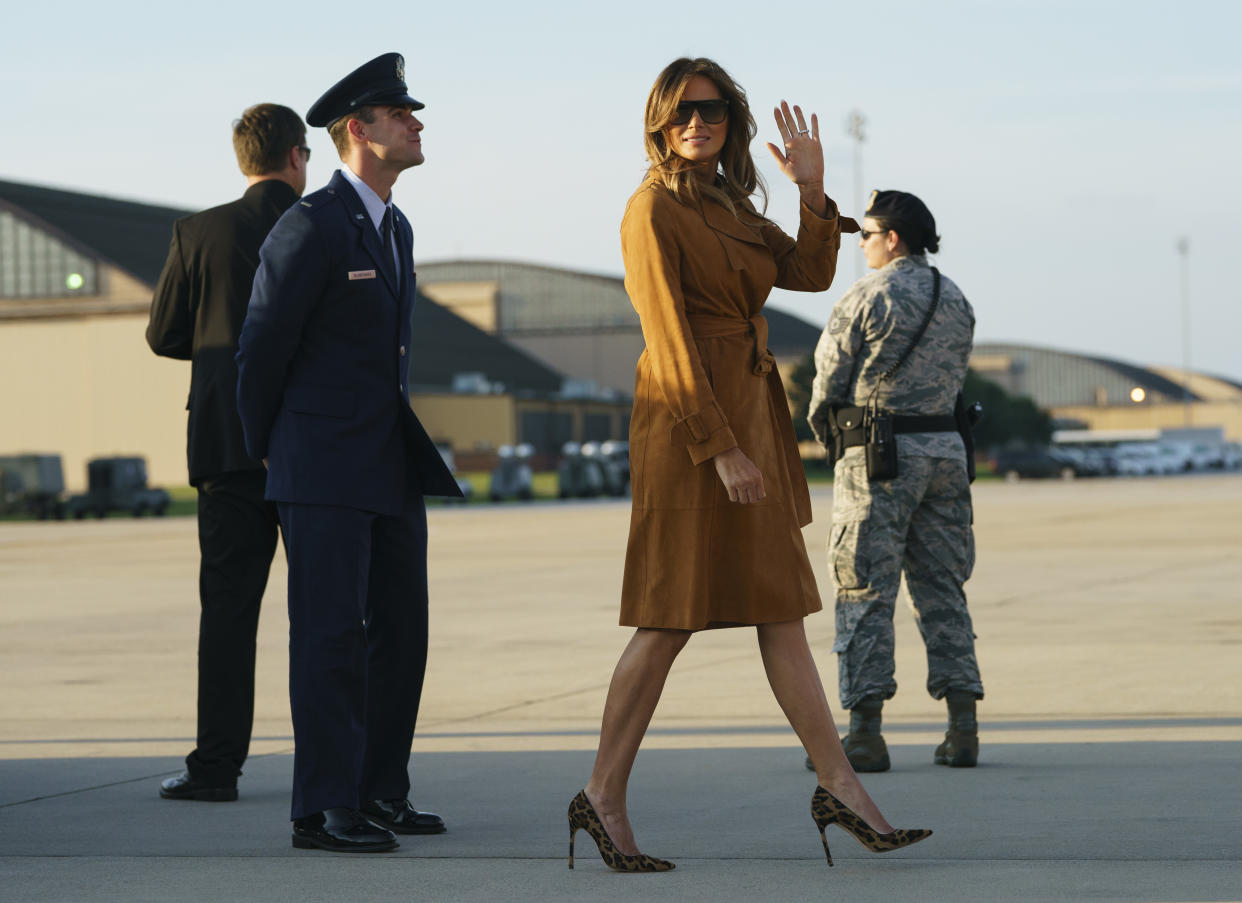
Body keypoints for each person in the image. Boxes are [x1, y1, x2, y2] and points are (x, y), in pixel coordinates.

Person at [569, 57, 931, 874]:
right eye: (681, 112)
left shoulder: (730, 203)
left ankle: (840, 784)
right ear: (659, 123)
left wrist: (811, 190)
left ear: (731, 123)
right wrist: (719, 445)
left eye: (713, 111)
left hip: (748, 420)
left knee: (779, 609)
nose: (697, 123)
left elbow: (806, 271)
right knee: (668, 617)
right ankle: (602, 795)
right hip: (690, 430)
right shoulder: (650, 209)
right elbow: (666, 338)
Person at [235, 52, 462, 854]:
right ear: (357, 129)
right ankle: (323, 805)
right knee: (329, 633)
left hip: (387, 463)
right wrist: (270, 450)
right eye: (402, 114)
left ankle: (380, 789)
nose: (417, 122)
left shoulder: (394, 225)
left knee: (403, 628)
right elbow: (260, 348)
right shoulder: (312, 223)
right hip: (321, 465)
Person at [147, 103, 308, 803]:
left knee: (229, 614)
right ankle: (341, 768)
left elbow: (163, 335)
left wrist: (225, 347)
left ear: (243, 159)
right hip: (309, 446)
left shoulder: (198, 232)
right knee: (329, 615)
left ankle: (216, 767)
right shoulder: (318, 223)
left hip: (226, 447)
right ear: (299, 157)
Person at [807, 189, 984, 774]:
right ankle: (962, 729)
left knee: (863, 588)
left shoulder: (868, 294)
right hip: (947, 455)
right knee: (941, 588)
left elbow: (828, 384)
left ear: (894, 239)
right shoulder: (955, 298)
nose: (861, 245)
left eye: (866, 235)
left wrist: (831, 439)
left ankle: (864, 733)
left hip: (879, 457)